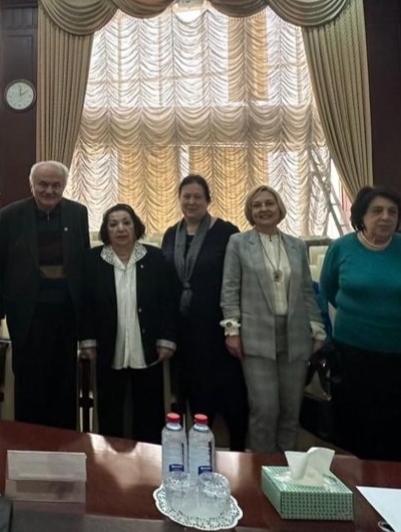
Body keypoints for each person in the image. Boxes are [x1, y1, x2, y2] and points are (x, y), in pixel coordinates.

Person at [319, 186, 401, 463]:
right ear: (361, 215)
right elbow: (329, 289)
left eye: (392, 212)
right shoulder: (341, 247)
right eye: (377, 211)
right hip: (353, 351)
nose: (385, 217)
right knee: (359, 425)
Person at [221, 185, 325, 453]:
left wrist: (317, 328)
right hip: (255, 336)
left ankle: (287, 469)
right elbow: (230, 289)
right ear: (250, 212)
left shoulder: (296, 245)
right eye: (257, 205)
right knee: (265, 409)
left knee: (291, 410)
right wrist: (232, 330)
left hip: (296, 334)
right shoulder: (238, 243)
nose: (264, 209)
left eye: (269, 203)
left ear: (280, 208)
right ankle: (261, 467)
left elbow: (306, 290)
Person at [0, 161, 89, 430]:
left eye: (56, 185)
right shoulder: (11, 215)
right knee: (29, 382)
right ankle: (28, 438)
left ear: (64, 186)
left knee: (64, 383)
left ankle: (64, 441)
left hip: (66, 314)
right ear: (31, 185)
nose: (49, 190)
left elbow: (83, 263)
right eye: (43, 184)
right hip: (27, 314)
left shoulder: (78, 213)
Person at [161, 175, 249, 451]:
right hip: (184, 331)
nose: (191, 202)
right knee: (194, 395)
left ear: (208, 200)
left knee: (230, 394)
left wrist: (234, 326)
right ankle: (199, 452)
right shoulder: (171, 234)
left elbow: (237, 280)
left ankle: (236, 453)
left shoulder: (226, 232)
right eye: (186, 196)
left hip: (218, 328)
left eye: (197, 196)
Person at [80, 204, 176, 443]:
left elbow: (168, 301)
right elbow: (85, 303)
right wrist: (87, 339)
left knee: (149, 410)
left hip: (148, 345)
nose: (120, 229)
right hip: (108, 345)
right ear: (106, 230)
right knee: (110, 410)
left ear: (136, 226)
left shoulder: (154, 258)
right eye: (113, 224)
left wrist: (167, 338)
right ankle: (109, 459)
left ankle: (148, 459)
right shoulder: (92, 260)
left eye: (126, 223)